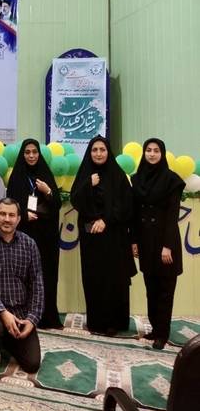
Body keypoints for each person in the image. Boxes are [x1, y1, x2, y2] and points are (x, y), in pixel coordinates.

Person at [70, 136, 136, 336]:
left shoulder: (118, 175)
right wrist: (88, 184)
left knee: (114, 279)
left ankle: (114, 322)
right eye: (94, 150)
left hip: (114, 237)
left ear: (108, 152)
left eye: (102, 149)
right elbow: (75, 200)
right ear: (89, 153)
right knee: (94, 278)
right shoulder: (85, 174)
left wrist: (106, 220)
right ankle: (97, 321)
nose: (98, 153)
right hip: (92, 238)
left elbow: (126, 204)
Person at [0, 198, 44, 373]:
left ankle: (8, 340)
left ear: (18, 219)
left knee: (32, 364)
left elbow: (37, 284)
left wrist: (32, 319)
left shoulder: (30, 245)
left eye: (11, 215)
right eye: (3, 214)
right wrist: (3, 312)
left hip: (21, 312)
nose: (7, 219)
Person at [131, 138, 185, 350]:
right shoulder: (137, 179)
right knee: (151, 289)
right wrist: (134, 240)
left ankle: (163, 333)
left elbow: (172, 215)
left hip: (165, 243)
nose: (152, 154)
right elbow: (135, 214)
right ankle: (155, 328)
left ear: (162, 154)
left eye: (156, 151)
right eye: (148, 150)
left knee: (165, 291)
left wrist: (167, 246)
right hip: (146, 242)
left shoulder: (172, 180)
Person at [6, 139, 63, 329]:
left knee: (46, 275)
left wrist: (48, 191)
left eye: (34, 152)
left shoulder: (45, 174)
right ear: (22, 154)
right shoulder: (17, 177)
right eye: (27, 152)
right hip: (25, 234)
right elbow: (9, 205)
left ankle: (47, 316)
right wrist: (23, 214)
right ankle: (26, 315)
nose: (31, 156)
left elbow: (57, 204)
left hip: (46, 237)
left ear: (39, 154)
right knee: (25, 275)